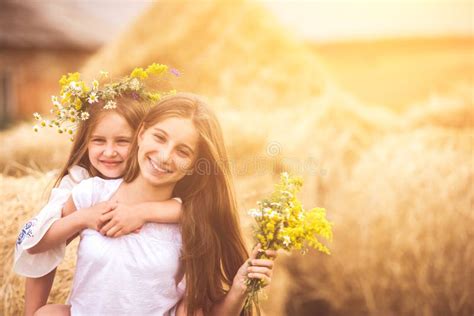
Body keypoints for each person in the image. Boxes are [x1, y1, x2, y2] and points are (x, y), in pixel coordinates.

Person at [34, 93, 276, 315]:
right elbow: (39, 247)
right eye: (159, 138)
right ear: (141, 133)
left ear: (194, 164)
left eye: (182, 151)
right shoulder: (92, 194)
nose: (164, 156)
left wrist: (238, 289)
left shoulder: (192, 223)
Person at [14, 68, 183, 316]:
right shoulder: (79, 183)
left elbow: (195, 207)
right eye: (99, 141)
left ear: (142, 139)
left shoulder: (158, 175)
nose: (109, 152)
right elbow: (39, 245)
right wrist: (84, 217)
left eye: (122, 142)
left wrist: (141, 212)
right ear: (86, 142)